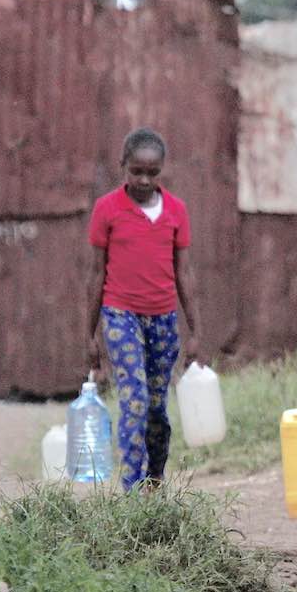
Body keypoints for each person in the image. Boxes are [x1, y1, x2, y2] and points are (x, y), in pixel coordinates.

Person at [86, 127, 200, 492]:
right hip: (120, 315)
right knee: (133, 400)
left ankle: (155, 480)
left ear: (162, 170)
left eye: (153, 173)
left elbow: (184, 272)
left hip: (163, 319)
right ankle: (131, 491)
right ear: (123, 167)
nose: (144, 180)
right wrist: (89, 334)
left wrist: (196, 332)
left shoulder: (176, 212)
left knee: (156, 408)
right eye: (136, 171)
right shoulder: (107, 209)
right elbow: (95, 273)